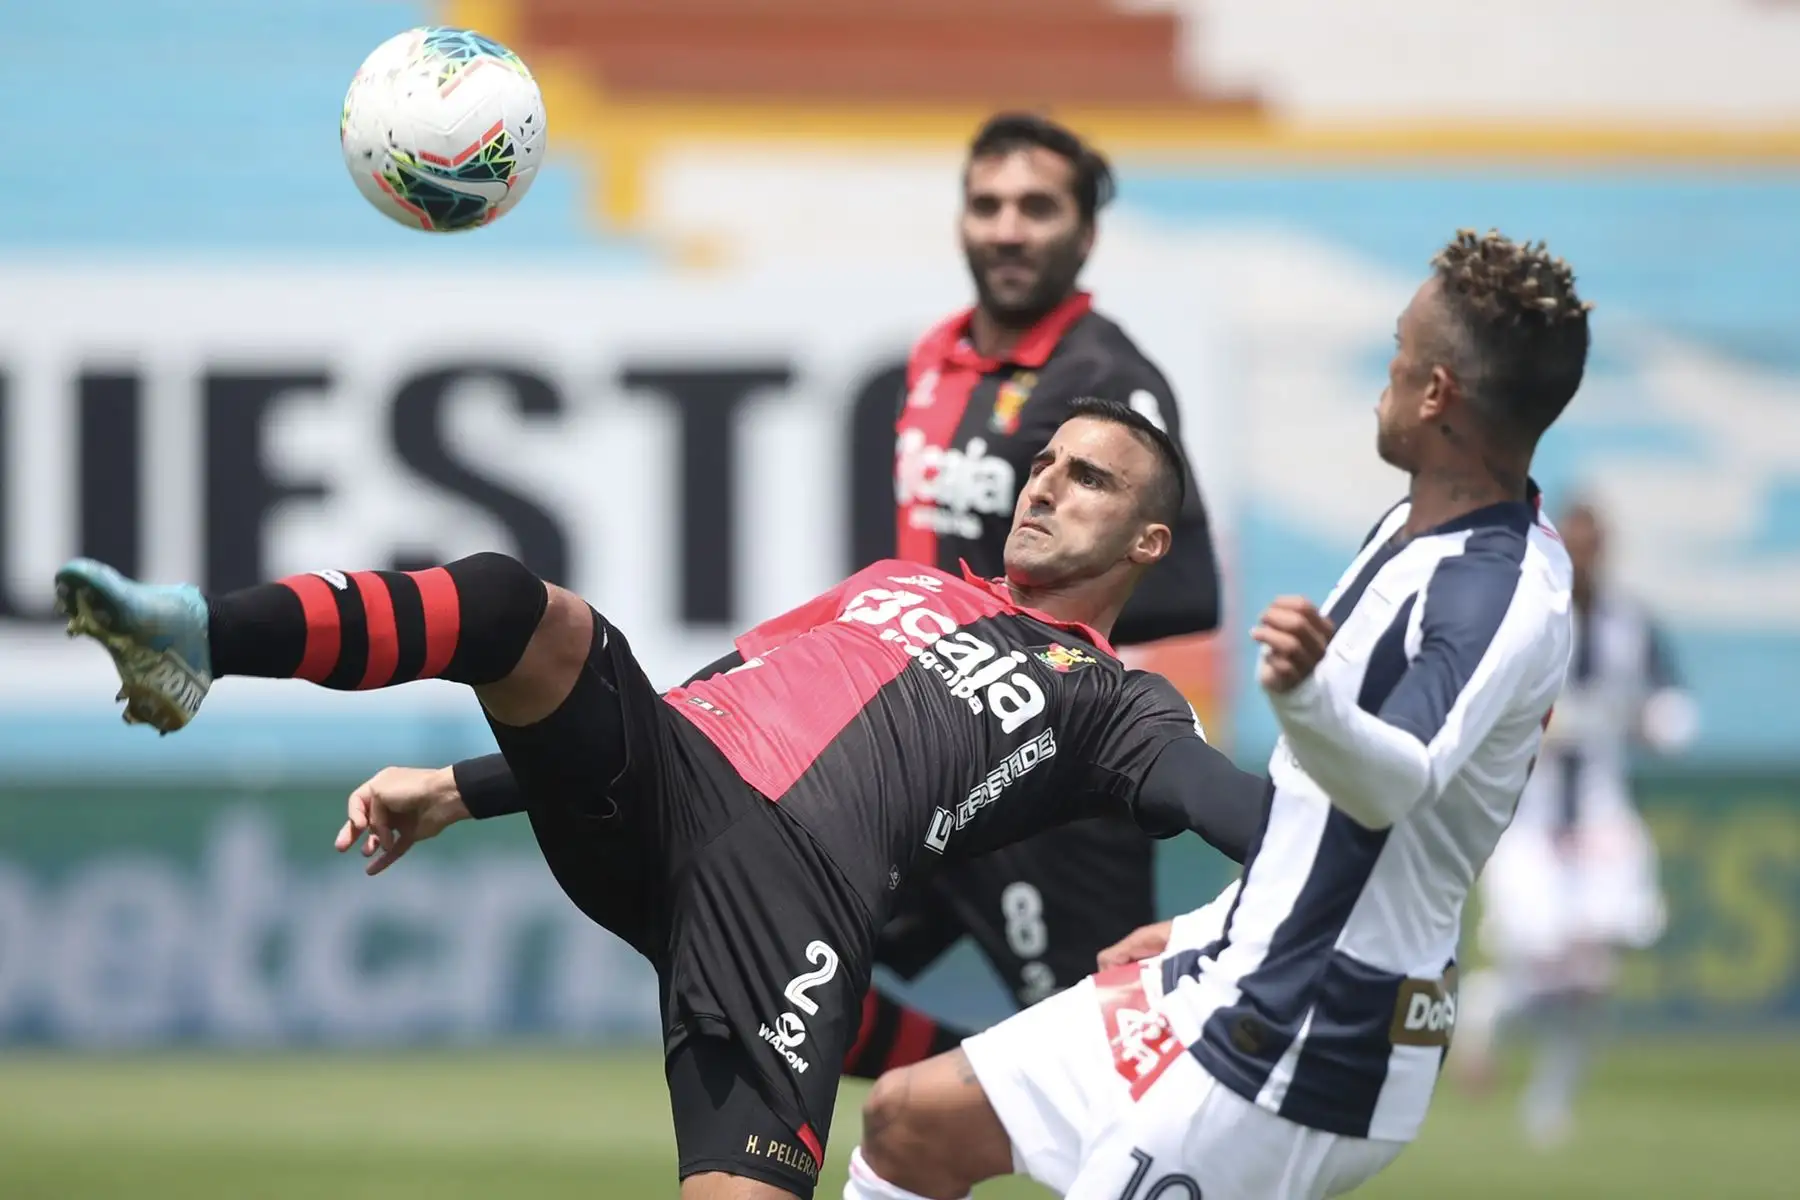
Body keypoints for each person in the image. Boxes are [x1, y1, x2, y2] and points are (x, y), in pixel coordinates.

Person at [54, 400, 1266, 1200]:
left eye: (1090, 480)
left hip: (789, 904)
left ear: (1149, 541)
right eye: (1044, 463)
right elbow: (700, 700)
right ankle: (201, 635)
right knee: (516, 606)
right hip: (670, 788)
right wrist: (462, 789)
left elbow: (1246, 817)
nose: (1045, 488)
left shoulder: (1118, 701)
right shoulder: (902, 578)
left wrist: (1295, 909)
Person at [840, 228, 1588, 1200]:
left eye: (1400, 352)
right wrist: (1220, 920)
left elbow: (1394, 783)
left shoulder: (1497, 591)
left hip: (1312, 1033)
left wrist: (1304, 697)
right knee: (912, 1122)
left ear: (1437, 392)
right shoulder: (1413, 528)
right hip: (1239, 962)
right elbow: (1324, 820)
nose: (1385, 375)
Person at [849, 110, 1225, 1077]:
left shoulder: (1108, 384)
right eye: (987, 204)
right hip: (921, 760)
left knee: (1110, 1077)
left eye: (1037, 207)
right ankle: (960, 1091)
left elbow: (1181, 587)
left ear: (1086, 233)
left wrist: (1027, 661)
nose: (1008, 228)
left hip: (1042, 777)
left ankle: (992, 1097)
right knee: (767, 956)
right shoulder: (934, 359)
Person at [1453, 498, 1695, 1146]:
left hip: (1599, 816)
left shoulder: (1631, 625)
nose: (1584, 559)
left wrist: (1653, 723)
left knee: (1590, 977)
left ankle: (1550, 1101)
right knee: (1536, 949)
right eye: (1574, 545)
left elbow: (1672, 708)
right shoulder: (1524, 617)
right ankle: (1484, 1009)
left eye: (1594, 547)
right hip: (1527, 816)